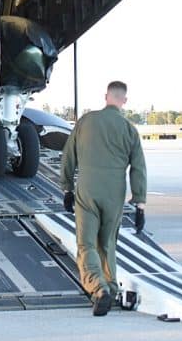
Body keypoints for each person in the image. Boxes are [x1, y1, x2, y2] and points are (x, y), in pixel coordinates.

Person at [60, 80, 148, 316]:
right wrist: (140, 203)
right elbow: (139, 167)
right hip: (114, 192)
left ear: (105, 96)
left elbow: (68, 156)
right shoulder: (129, 129)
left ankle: (98, 289)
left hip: (87, 188)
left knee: (86, 243)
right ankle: (110, 285)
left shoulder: (86, 122)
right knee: (107, 242)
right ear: (124, 101)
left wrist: (67, 188)